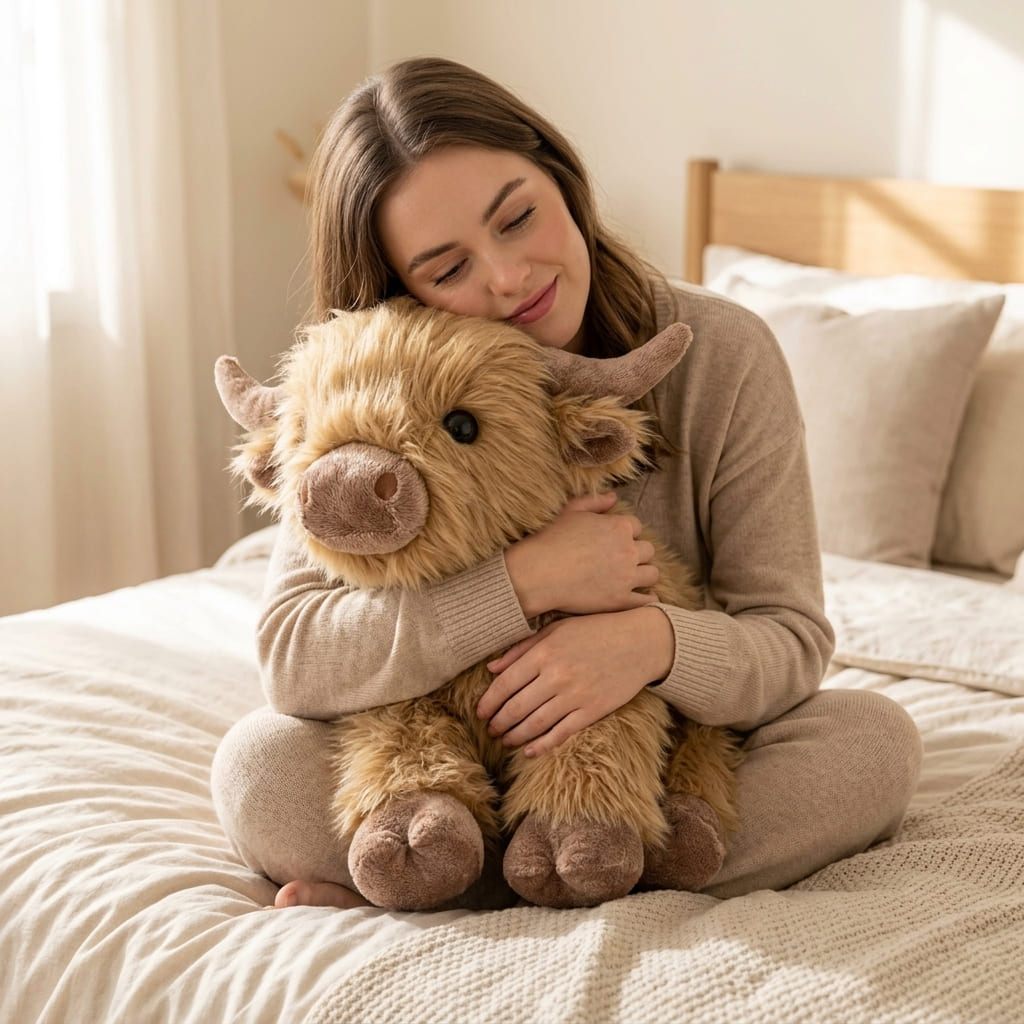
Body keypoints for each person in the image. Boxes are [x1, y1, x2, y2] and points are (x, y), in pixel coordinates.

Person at [210, 56, 922, 911]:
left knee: (873, 743)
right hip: (445, 760)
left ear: (562, 178)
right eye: (447, 270)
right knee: (257, 768)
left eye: (518, 219)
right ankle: (545, 865)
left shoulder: (725, 353)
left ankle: (458, 880)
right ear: (399, 290)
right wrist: (521, 585)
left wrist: (648, 645)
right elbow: (293, 655)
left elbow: (791, 640)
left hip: (651, 762)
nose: (507, 277)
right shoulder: (367, 382)